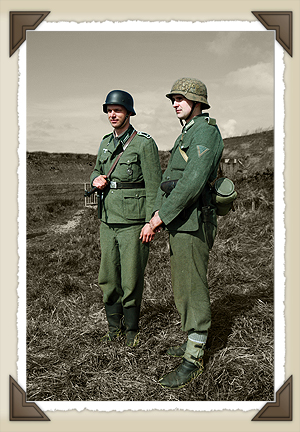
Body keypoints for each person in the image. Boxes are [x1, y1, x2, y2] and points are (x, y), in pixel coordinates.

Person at [146, 77, 224, 388]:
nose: (175, 104)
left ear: (198, 102)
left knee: (192, 286)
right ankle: (191, 339)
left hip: (194, 221)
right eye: (173, 99)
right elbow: (170, 177)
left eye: (181, 99)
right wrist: (159, 211)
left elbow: (192, 182)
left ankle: (194, 359)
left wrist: (158, 218)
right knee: (182, 283)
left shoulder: (205, 132)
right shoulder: (188, 132)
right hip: (181, 220)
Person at [90, 90, 162, 347]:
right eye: (109, 110)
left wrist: (150, 221)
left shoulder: (143, 143)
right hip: (108, 220)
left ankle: (131, 330)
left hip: (133, 223)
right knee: (108, 276)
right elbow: (97, 171)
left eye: (117, 110)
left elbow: (154, 186)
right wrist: (95, 179)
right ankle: (114, 328)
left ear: (129, 113)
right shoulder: (105, 142)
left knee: (131, 277)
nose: (112, 114)